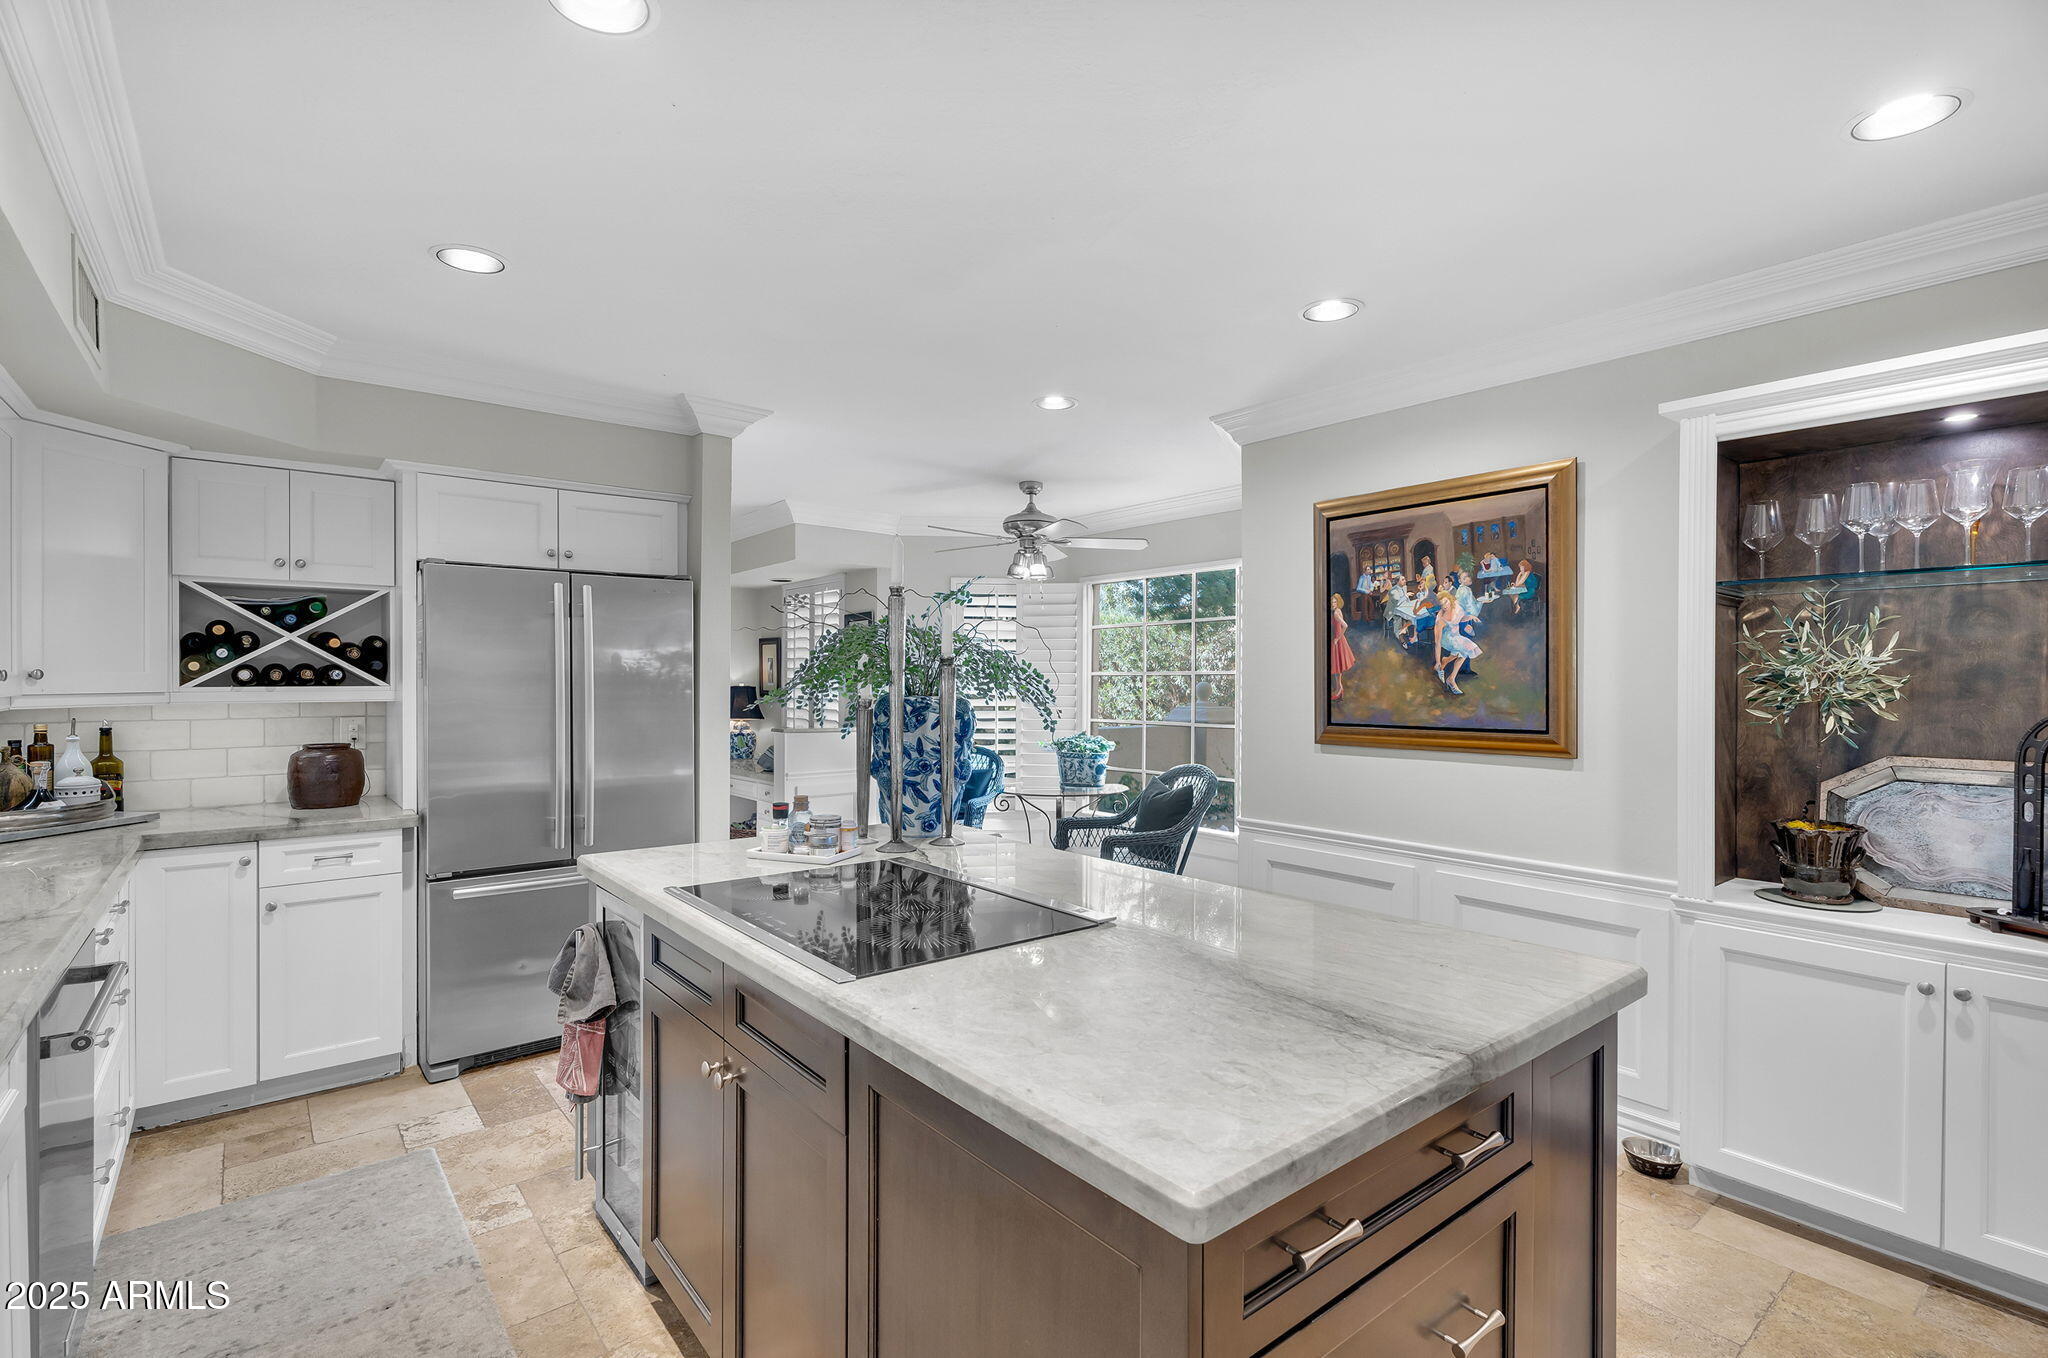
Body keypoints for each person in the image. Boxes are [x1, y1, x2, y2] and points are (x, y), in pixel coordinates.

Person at [1433, 584, 1483, 695]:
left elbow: (1461, 618)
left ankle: (1450, 675)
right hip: (1447, 639)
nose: (1444, 606)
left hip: (1456, 636)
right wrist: (1437, 661)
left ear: (1450, 600)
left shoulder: (1457, 607)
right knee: (1464, 649)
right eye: (1442, 605)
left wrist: (1471, 617)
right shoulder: (1440, 619)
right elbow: (1437, 642)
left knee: (1465, 652)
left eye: (1446, 602)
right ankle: (1446, 671)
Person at [1329, 593, 1357, 700]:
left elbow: (1345, 625)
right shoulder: (1338, 611)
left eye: (1335, 602)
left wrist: (1338, 638)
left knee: (1337, 666)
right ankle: (1339, 689)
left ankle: (1339, 688)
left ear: (1338, 602)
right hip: (1338, 640)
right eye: (1331, 602)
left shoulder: (1336, 613)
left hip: (1337, 640)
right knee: (1338, 665)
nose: (1333, 604)